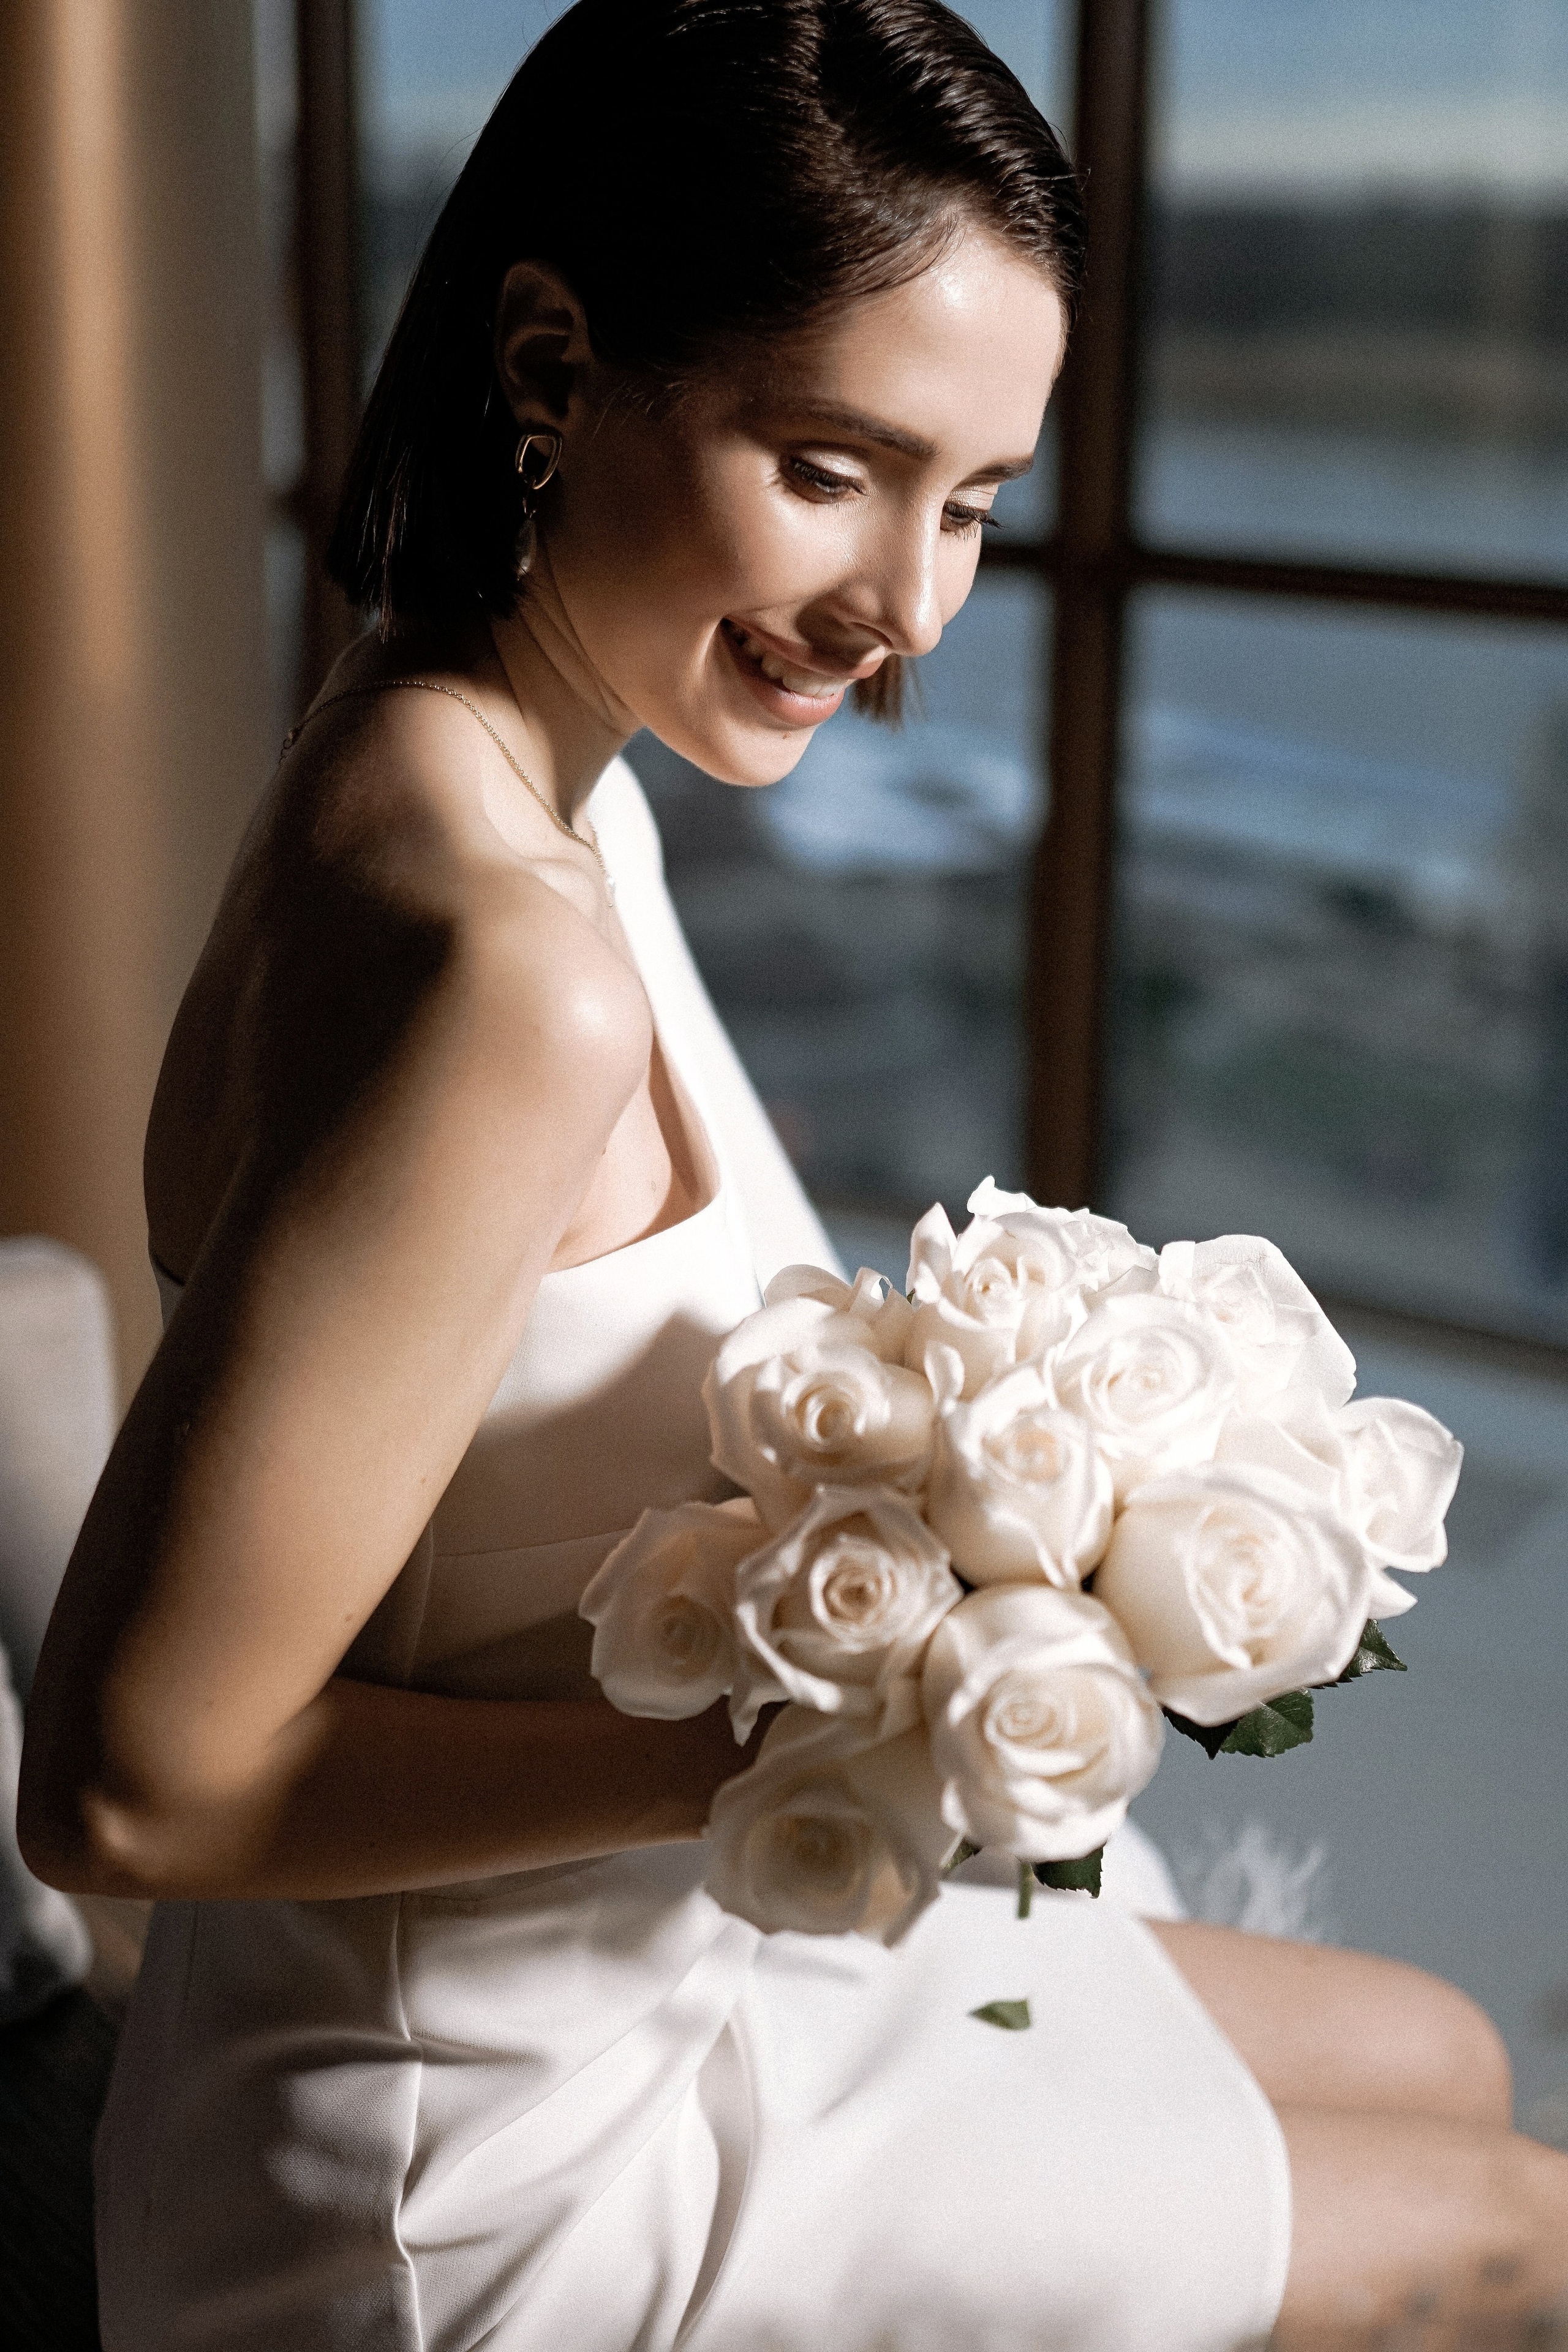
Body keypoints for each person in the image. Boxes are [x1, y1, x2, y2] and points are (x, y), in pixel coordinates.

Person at [19, 2, 1568, 2345]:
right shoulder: (500, 977)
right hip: (481, 2173)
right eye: (833, 465)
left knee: (1448, 2061)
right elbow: (134, 1795)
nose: (919, 609)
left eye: (973, 502)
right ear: (550, 364)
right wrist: (827, 1738)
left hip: (662, 1970)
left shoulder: (481, 747)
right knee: (1510, 2243)